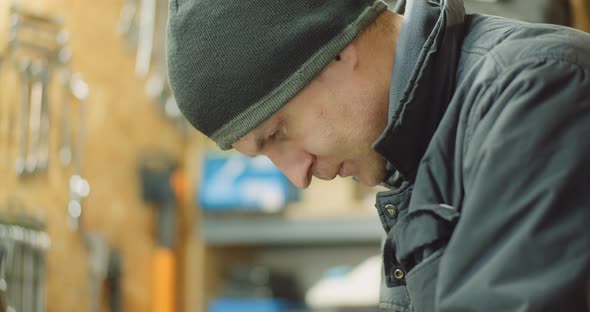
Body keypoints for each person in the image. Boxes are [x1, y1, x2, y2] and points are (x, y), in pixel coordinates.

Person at [166, 0, 590, 310]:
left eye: (278, 132)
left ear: (335, 48)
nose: (298, 177)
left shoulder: (534, 90)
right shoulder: (417, 152)